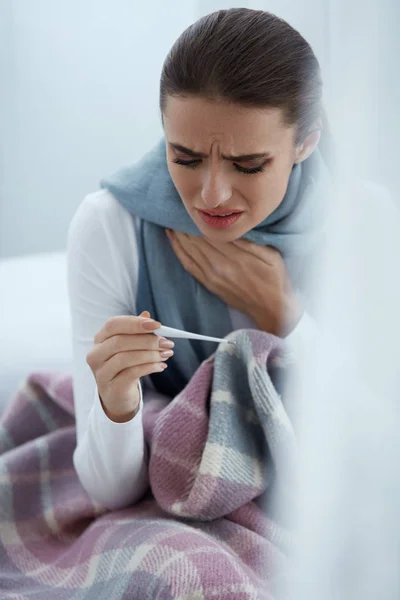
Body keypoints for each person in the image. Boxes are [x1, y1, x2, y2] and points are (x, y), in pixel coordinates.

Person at [67, 8, 327, 510]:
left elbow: (375, 446)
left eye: (247, 165)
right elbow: (108, 492)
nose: (212, 194)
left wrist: (285, 316)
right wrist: (117, 402)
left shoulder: (364, 222)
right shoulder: (110, 226)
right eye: (183, 157)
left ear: (306, 142)